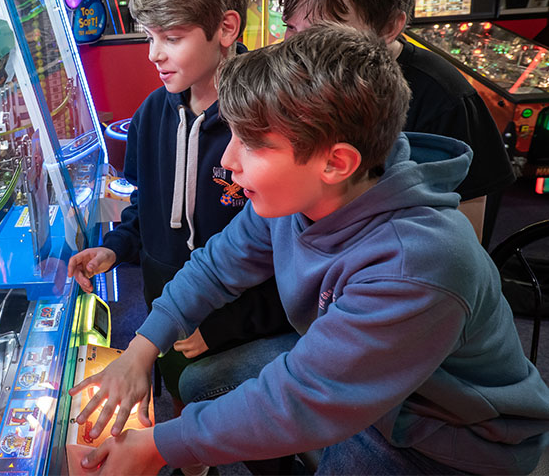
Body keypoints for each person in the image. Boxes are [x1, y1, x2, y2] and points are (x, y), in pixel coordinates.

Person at [70, 23, 549, 475]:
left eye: (253, 144)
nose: (227, 159)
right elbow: (216, 267)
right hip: (367, 380)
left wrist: (157, 448)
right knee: (199, 384)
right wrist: (140, 350)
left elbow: (304, 397)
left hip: (451, 434)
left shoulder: (417, 266)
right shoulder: (301, 198)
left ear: (336, 162)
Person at [67, 0, 292, 410]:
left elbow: (290, 244)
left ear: (226, 28)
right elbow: (144, 204)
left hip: (242, 321)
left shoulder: (268, 117)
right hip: (162, 299)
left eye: (171, 37)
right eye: (149, 37)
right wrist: (117, 246)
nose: (154, 54)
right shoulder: (151, 113)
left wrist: (225, 327)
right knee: (179, 397)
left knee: (245, 427)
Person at [278, 0, 514, 245]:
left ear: (390, 25)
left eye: (323, 32)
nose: (300, 50)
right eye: (291, 27)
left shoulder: (446, 100)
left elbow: (464, 238)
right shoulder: (292, 74)